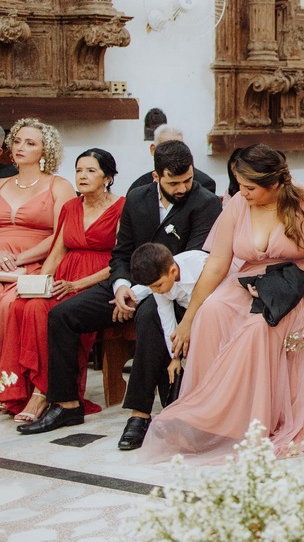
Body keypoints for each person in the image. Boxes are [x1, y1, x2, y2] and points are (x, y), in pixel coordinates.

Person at [138, 144, 304, 463]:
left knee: (259, 326)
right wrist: (189, 317)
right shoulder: (239, 204)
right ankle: (205, 421)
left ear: (274, 184)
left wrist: (288, 288)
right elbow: (218, 263)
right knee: (212, 312)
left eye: (249, 187)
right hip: (250, 281)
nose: (242, 193)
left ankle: (250, 422)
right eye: (240, 185)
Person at [16, 140, 223, 444]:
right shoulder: (136, 200)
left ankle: (139, 414)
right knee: (63, 315)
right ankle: (66, 405)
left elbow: (189, 262)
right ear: (156, 177)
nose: (182, 188)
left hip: (173, 288)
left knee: (150, 318)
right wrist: (122, 286)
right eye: (174, 182)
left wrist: (137, 294)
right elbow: (121, 254)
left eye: (188, 180)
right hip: (127, 283)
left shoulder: (205, 203)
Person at [0, 149, 123, 420]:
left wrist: (77, 284)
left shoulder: (121, 207)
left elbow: (119, 261)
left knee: (50, 313)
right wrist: (42, 282)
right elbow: (57, 252)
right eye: (79, 170)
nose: (82, 176)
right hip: (64, 278)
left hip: (96, 281)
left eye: (91, 171)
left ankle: (43, 394)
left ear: (108, 178)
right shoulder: (71, 207)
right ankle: (23, 389)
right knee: (26, 305)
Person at [0, 119, 76, 347]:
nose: (20, 147)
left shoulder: (59, 186)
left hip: (36, 264)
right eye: (17, 141)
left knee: (9, 305)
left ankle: (10, 379)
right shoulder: (1, 184)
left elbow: (61, 234)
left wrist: (18, 260)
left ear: (46, 150)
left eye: (30, 143)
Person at [125, 244, 207, 412]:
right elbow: (166, 318)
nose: (156, 291)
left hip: (216, 312)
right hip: (188, 314)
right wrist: (174, 357)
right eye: (151, 288)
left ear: (173, 272)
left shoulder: (199, 265)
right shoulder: (160, 287)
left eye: (158, 285)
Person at [126, 125, 218, 194]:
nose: (174, 154)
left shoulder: (203, 183)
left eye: (178, 147)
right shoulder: (138, 186)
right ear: (153, 150)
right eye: (167, 149)